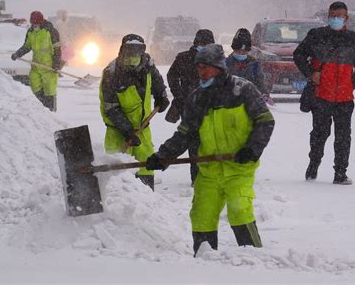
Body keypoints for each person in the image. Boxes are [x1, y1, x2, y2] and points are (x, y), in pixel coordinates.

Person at [146, 44, 275, 256]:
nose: (201, 72)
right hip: (208, 171)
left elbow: (265, 121)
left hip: (238, 167)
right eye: (199, 67)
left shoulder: (243, 90)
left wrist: (252, 149)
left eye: (206, 67)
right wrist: (163, 156)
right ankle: (204, 263)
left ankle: (253, 261)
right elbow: (185, 134)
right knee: (201, 215)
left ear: (219, 67)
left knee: (239, 209)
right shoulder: (197, 98)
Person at [293, 1, 355, 185]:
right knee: (319, 133)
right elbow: (298, 54)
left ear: (346, 18)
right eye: (333, 15)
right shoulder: (316, 35)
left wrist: (353, 83)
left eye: (340, 16)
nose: (336, 19)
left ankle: (340, 173)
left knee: (343, 137)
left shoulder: (354, 39)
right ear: (328, 16)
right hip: (321, 95)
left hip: (344, 97)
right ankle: (313, 165)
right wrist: (312, 74)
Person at [99, 34, 170, 191]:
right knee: (119, 180)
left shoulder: (148, 66)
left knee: (146, 167)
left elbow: (158, 83)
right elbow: (110, 108)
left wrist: (161, 97)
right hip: (117, 134)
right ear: (122, 51)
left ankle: (147, 207)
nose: (132, 57)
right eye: (129, 53)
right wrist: (127, 131)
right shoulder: (111, 73)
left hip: (142, 131)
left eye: (136, 53)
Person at [165, 29, 215, 187]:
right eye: (206, 43)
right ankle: (197, 177)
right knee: (194, 141)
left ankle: (204, 175)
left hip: (205, 107)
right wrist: (178, 95)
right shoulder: (184, 57)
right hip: (191, 106)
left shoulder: (214, 59)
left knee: (203, 141)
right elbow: (171, 75)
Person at [11, 11, 62, 111]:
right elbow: (27, 46)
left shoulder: (51, 31)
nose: (34, 25)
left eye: (36, 24)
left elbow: (57, 49)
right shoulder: (30, 32)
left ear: (41, 22)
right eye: (33, 23)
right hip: (36, 66)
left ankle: (51, 111)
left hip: (49, 67)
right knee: (35, 87)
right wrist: (17, 54)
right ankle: (41, 110)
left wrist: (56, 65)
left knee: (49, 90)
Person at [226, 28, 272, 102]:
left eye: (244, 52)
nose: (241, 54)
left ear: (248, 51)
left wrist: (265, 95)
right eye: (238, 51)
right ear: (233, 49)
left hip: (250, 103)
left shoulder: (254, 65)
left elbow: (260, 83)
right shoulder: (226, 64)